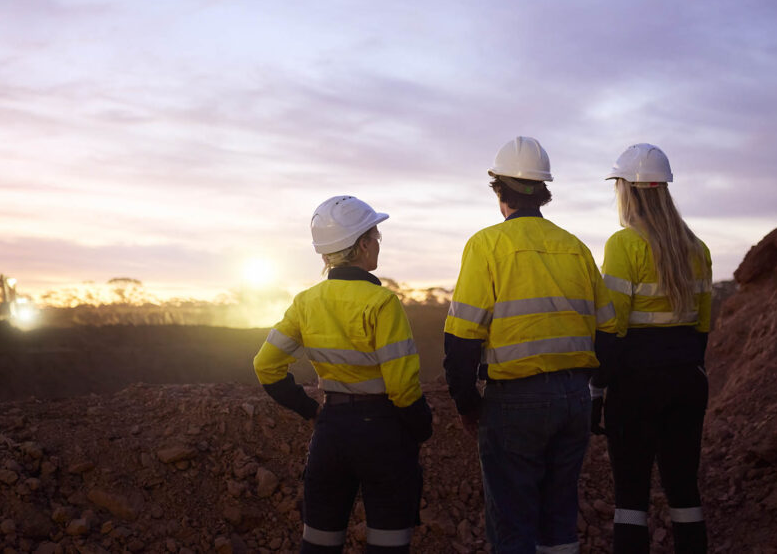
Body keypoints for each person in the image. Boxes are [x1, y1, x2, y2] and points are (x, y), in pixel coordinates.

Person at [443, 136, 618, 554]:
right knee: (559, 521)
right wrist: (591, 392)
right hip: (573, 399)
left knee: (513, 527)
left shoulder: (486, 245)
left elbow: (462, 336)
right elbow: (609, 331)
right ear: (543, 191)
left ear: (498, 189)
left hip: (514, 402)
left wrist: (467, 404)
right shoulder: (576, 248)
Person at [253, 195, 434, 554]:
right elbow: (401, 386)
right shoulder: (382, 303)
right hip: (383, 433)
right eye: (376, 238)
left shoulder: (306, 302)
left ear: (326, 254)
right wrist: (421, 427)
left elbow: (265, 365)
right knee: (388, 546)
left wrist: (310, 410)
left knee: (319, 545)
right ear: (363, 245)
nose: (378, 245)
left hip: (331, 432)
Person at [596, 143, 712, 554]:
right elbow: (702, 327)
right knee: (684, 489)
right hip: (687, 380)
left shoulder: (623, 245)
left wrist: (597, 390)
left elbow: (612, 326)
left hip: (636, 385)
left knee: (631, 496)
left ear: (627, 189)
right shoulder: (698, 249)